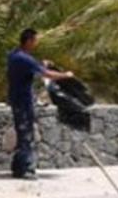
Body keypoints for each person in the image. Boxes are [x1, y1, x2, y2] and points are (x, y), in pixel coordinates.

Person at [7, 28, 74, 179]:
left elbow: (32, 67)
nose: (36, 44)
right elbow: (47, 74)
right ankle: (25, 169)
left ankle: (17, 168)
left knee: (22, 133)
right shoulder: (25, 59)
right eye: (35, 40)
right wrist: (66, 75)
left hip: (16, 100)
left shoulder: (14, 55)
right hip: (23, 102)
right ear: (29, 41)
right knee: (26, 135)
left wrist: (42, 63)